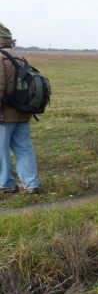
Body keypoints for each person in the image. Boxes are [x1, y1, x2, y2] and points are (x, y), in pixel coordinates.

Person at [0, 23, 41, 194]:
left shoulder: (0, 57)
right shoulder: (20, 57)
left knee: (1, 151)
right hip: (23, 113)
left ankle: (7, 184)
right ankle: (31, 184)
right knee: (24, 149)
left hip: (4, 115)